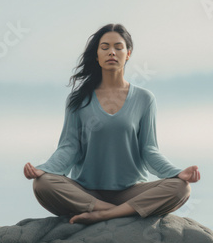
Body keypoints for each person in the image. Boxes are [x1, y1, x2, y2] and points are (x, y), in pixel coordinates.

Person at [24, 23, 200, 225]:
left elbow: (149, 150)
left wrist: (176, 173)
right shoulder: (78, 100)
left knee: (181, 188)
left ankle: (104, 215)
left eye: (118, 47)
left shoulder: (144, 99)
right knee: (42, 184)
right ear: (97, 55)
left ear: (128, 54)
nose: (112, 52)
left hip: (131, 192)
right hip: (86, 192)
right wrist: (45, 169)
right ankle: (120, 212)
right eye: (105, 47)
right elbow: (69, 147)